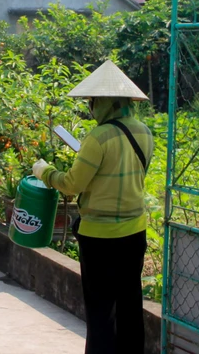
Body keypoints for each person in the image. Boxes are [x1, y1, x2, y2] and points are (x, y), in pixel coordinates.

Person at [32, 60, 154, 354]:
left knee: (100, 311)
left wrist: (44, 172)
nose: (91, 106)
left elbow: (72, 184)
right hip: (134, 233)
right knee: (129, 305)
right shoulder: (144, 132)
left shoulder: (98, 138)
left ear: (106, 102)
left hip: (99, 238)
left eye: (93, 101)